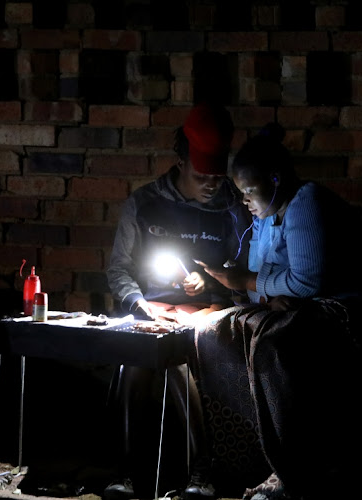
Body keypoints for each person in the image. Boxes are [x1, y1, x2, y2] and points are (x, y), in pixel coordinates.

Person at [190, 123, 362, 500]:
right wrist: (237, 287)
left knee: (275, 340)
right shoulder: (266, 221)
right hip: (307, 310)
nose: (245, 202)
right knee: (212, 330)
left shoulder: (306, 201)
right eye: (241, 194)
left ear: (275, 178)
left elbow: (306, 282)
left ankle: (292, 469)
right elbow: (269, 288)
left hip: (350, 315)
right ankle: (240, 460)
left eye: (250, 191)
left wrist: (247, 282)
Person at [104, 102, 252, 500]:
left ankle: (200, 474)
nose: (212, 185)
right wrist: (139, 304)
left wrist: (211, 292)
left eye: (219, 178)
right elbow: (118, 270)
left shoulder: (233, 211)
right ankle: (123, 474)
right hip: (151, 313)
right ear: (182, 161)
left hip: (205, 318)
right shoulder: (144, 203)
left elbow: (244, 280)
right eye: (203, 176)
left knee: (178, 365)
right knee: (133, 363)